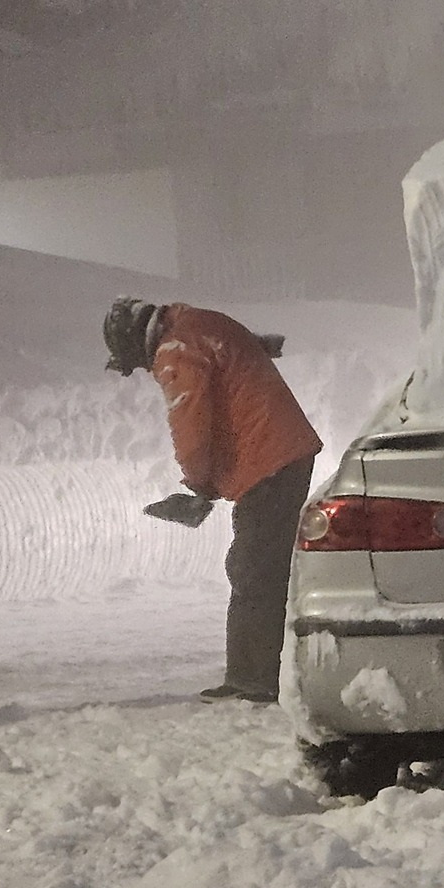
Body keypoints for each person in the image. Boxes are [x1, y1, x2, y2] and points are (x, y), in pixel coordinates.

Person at [103, 297, 322, 703]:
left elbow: (192, 422)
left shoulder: (175, 350)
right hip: (281, 450)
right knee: (265, 566)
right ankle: (267, 673)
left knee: (255, 569)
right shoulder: (198, 322)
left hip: (270, 455)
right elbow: (244, 350)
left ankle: (256, 680)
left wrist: (196, 485)